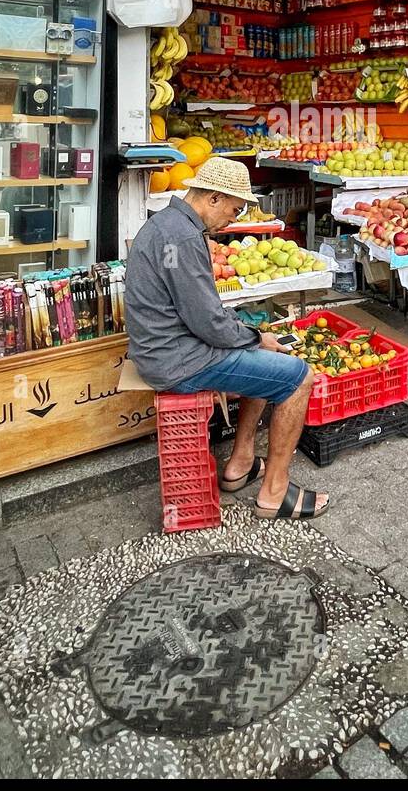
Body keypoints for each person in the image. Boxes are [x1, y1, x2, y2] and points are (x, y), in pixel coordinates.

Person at [125, 156, 328, 521]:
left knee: (264, 364)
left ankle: (240, 463)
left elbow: (201, 312)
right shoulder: (183, 238)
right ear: (213, 198)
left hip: (163, 349)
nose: (233, 219)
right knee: (299, 377)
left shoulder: (165, 225)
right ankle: (275, 493)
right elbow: (207, 322)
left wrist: (248, 336)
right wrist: (254, 336)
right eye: (233, 209)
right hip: (178, 359)